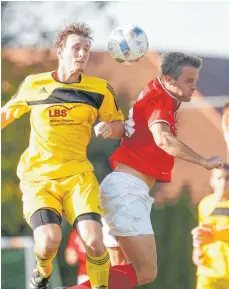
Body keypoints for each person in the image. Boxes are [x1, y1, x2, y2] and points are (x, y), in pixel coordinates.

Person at [59, 52, 224, 289]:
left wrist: (111, 128)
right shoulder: (162, 100)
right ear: (168, 80)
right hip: (127, 192)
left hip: (116, 188)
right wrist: (204, 161)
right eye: (188, 81)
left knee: (119, 273)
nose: (193, 87)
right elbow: (163, 139)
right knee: (145, 271)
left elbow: (129, 130)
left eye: (195, 81)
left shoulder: (150, 91)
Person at [1, 22, 125, 289]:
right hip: (39, 180)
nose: (82, 54)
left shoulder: (100, 90)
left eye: (87, 49)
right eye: (76, 48)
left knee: (94, 241)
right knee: (48, 241)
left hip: (78, 178)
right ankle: (42, 273)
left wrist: (109, 127)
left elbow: (121, 126)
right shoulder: (34, 85)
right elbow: (5, 115)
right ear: (60, 51)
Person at [191, 164, 229, 289]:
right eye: (219, 178)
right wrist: (197, 250)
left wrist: (214, 234)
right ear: (211, 181)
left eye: (227, 178)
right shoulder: (205, 204)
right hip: (208, 272)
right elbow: (202, 233)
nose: (223, 183)